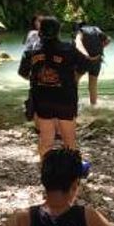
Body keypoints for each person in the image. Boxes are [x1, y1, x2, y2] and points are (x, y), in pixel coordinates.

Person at [18, 16, 89, 158]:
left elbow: (23, 73)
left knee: (46, 141)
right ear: (58, 32)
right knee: (69, 142)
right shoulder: (69, 48)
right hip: (65, 99)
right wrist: (74, 78)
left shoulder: (31, 51)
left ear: (40, 32)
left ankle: (46, 173)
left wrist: (37, 79)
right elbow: (85, 64)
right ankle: (72, 176)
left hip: (42, 100)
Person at [74, 22, 112, 107]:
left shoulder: (80, 31)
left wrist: (86, 54)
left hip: (83, 60)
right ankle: (93, 105)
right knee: (93, 84)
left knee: (74, 81)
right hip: (96, 60)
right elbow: (108, 40)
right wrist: (100, 49)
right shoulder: (96, 29)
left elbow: (78, 44)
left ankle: (73, 103)